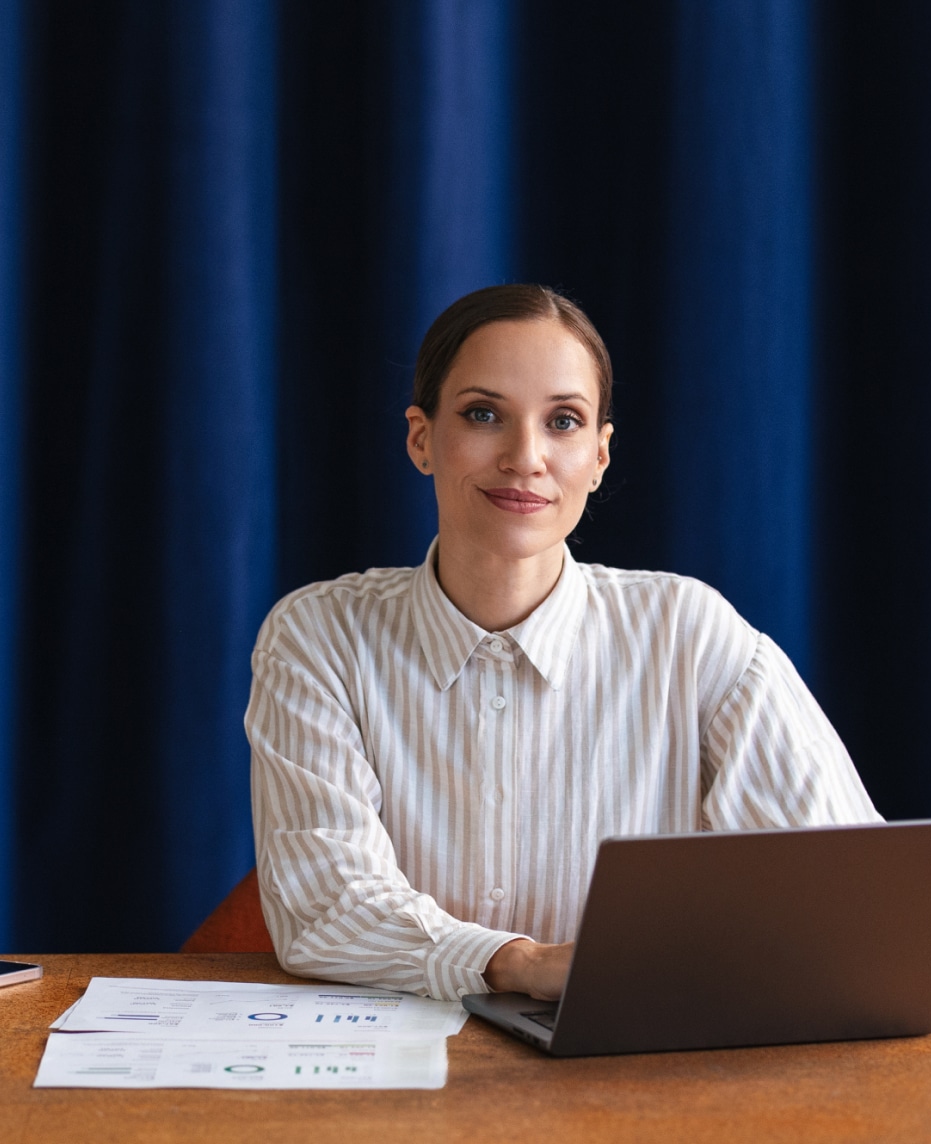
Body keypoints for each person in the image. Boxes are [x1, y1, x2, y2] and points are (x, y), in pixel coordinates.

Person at [247, 284, 881, 1003]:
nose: (525, 457)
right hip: (397, 1082)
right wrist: (517, 964)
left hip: (634, 1073)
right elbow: (323, 908)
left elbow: (852, 900)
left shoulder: (690, 633)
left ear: (600, 455)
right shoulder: (316, 637)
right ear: (421, 438)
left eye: (563, 421)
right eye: (483, 415)